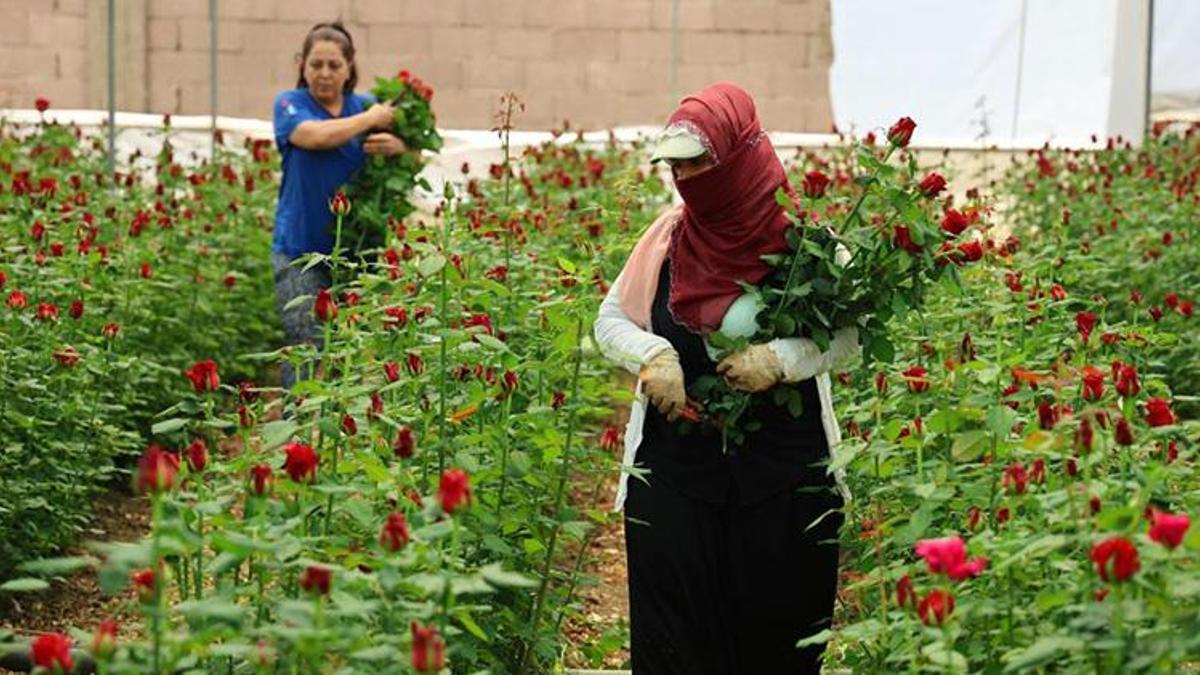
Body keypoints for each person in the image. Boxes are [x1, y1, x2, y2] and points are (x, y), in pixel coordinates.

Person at [593, 82, 860, 673]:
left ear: (739, 156)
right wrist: (654, 355)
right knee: (675, 639)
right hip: (676, 471)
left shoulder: (808, 246)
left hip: (784, 478)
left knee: (778, 636)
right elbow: (610, 320)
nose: (685, 178)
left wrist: (781, 360)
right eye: (676, 167)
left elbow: (849, 337)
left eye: (699, 163)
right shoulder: (667, 239)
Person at [271, 21, 406, 389]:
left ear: (349, 67)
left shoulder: (364, 107)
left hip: (354, 255)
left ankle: (340, 425)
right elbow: (314, 137)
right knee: (304, 341)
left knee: (351, 351)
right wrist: (370, 119)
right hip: (299, 251)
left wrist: (400, 148)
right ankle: (296, 421)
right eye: (316, 64)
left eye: (334, 65)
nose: (325, 73)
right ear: (302, 65)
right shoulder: (290, 104)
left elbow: (415, 159)